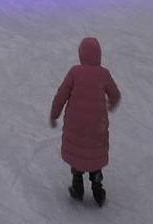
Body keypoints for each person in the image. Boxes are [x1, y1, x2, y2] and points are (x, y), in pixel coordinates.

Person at [50, 37, 121, 207]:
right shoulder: (104, 74)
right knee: (93, 155)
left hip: (76, 126)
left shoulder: (75, 72)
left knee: (78, 154)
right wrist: (111, 105)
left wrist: (54, 115)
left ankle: (77, 185)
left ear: (81, 55)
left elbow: (61, 96)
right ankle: (98, 187)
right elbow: (116, 94)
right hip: (97, 127)